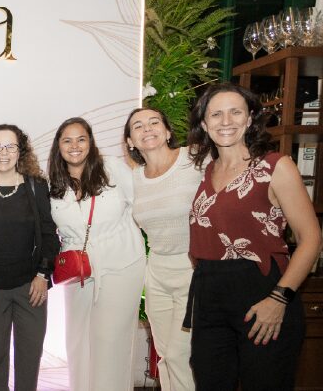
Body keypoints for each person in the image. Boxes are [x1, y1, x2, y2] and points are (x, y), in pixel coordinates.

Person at [185, 83, 321, 390]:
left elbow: (311, 238)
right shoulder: (206, 172)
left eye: (235, 112)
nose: (226, 121)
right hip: (209, 296)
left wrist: (279, 299)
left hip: (262, 290)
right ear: (204, 124)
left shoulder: (274, 166)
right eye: (216, 114)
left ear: (249, 119)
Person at [49, 117, 145, 391]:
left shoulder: (112, 168)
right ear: (58, 146)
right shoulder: (54, 183)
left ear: (90, 143)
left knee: (110, 341)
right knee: (78, 342)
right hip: (78, 272)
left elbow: (141, 203)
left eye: (81, 139)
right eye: (67, 140)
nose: (75, 146)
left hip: (121, 263)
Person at [0, 124, 59, 391]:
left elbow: (49, 234)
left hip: (30, 288)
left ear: (21, 151)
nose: (4, 152)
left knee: (29, 358)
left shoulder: (36, 186)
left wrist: (43, 274)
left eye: (10, 146)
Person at [123, 108, 199, 391]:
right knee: (166, 355)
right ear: (130, 141)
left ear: (168, 132)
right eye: (138, 126)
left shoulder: (195, 159)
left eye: (154, 122)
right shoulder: (135, 178)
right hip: (157, 271)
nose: (147, 128)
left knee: (181, 354)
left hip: (193, 269)